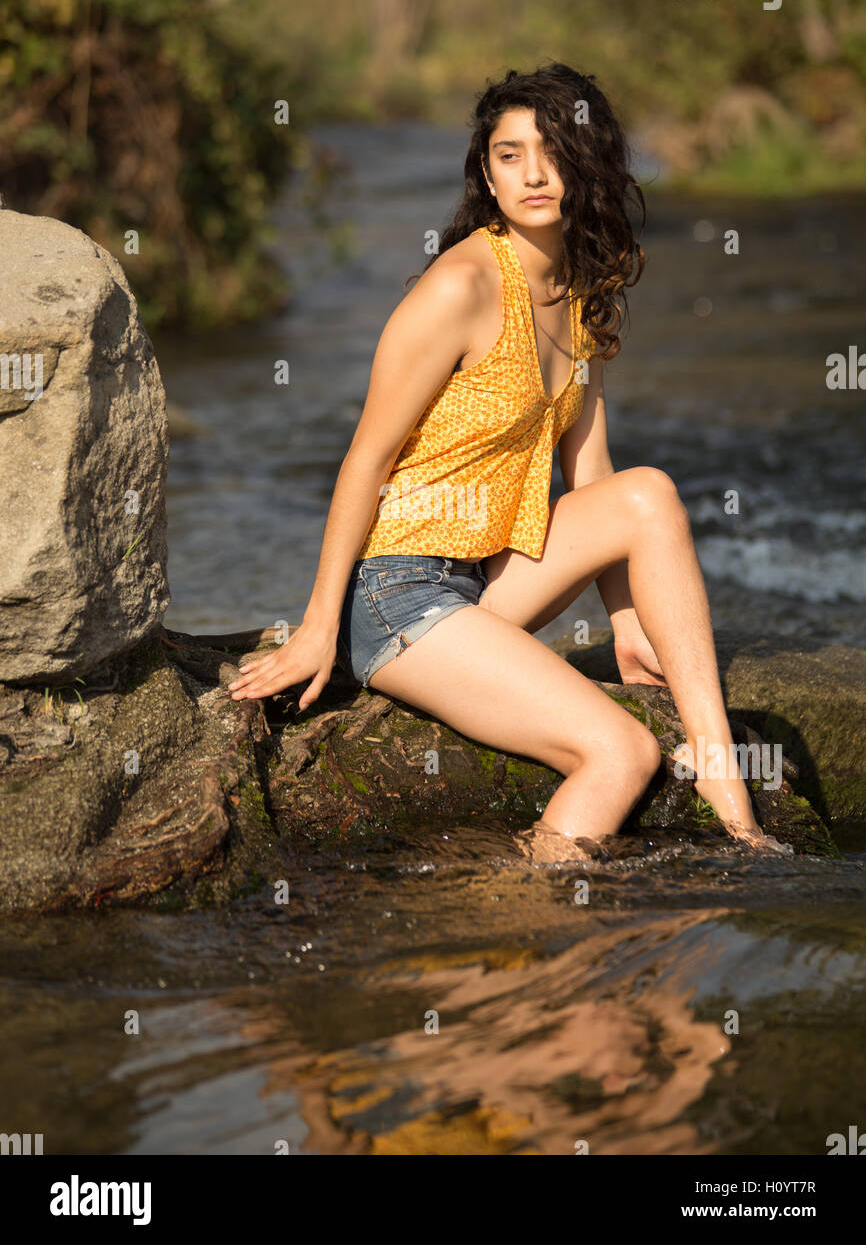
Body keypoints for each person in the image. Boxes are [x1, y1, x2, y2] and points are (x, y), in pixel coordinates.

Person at [229, 61, 782, 862]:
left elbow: (598, 488)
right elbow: (365, 459)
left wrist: (628, 626)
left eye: (549, 151)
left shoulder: (581, 293)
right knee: (622, 752)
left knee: (650, 492)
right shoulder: (461, 285)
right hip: (398, 592)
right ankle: (514, 932)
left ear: (584, 162)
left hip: (483, 580)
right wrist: (317, 630)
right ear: (485, 175)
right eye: (507, 154)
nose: (530, 173)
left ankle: (725, 786)